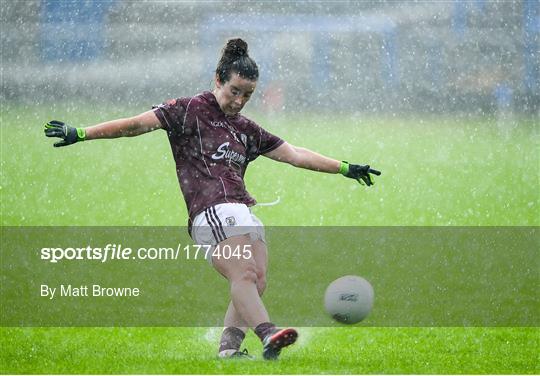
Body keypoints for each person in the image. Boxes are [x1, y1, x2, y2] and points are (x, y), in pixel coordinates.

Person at [44, 38, 381, 360]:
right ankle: (267, 334)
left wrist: (344, 167)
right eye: (234, 91)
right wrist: (83, 133)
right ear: (218, 80)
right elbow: (134, 125)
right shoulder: (188, 109)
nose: (238, 100)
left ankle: (230, 350)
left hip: (242, 210)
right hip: (211, 212)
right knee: (245, 274)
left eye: (247, 95)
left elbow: (294, 154)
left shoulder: (247, 129)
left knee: (256, 280)